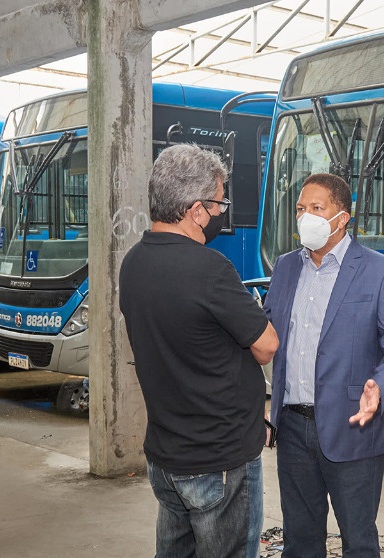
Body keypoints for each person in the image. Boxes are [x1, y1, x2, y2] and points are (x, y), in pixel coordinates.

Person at [119, 144, 279, 558]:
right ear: (195, 209)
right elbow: (266, 345)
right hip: (218, 461)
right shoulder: (210, 269)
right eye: (219, 204)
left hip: (166, 457)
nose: (220, 214)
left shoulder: (132, 263)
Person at [263, 173, 384, 558]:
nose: (305, 217)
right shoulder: (285, 268)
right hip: (293, 427)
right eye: (300, 209)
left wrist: (379, 387)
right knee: (299, 542)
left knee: (359, 540)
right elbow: (265, 336)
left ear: (342, 217)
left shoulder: (380, 271)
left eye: (317, 208)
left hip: (353, 425)